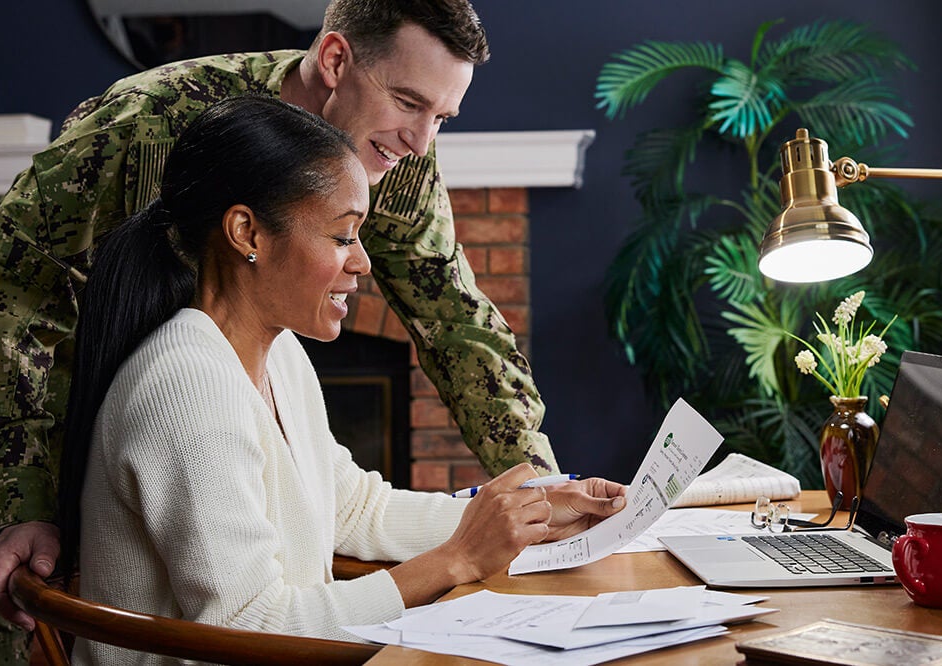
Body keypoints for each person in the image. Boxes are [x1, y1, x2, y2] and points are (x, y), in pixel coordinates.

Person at [0, 0, 558, 662]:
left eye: (442, 116)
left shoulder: (392, 158)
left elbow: (460, 329)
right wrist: (14, 505)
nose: (421, 138)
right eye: (409, 103)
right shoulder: (149, 121)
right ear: (335, 58)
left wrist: (543, 503)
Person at [64, 95, 622, 663]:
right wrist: (454, 560)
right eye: (341, 236)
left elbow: (354, 510)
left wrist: (530, 513)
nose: (363, 263)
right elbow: (251, 625)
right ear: (246, 233)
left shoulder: (277, 355)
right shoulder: (186, 388)